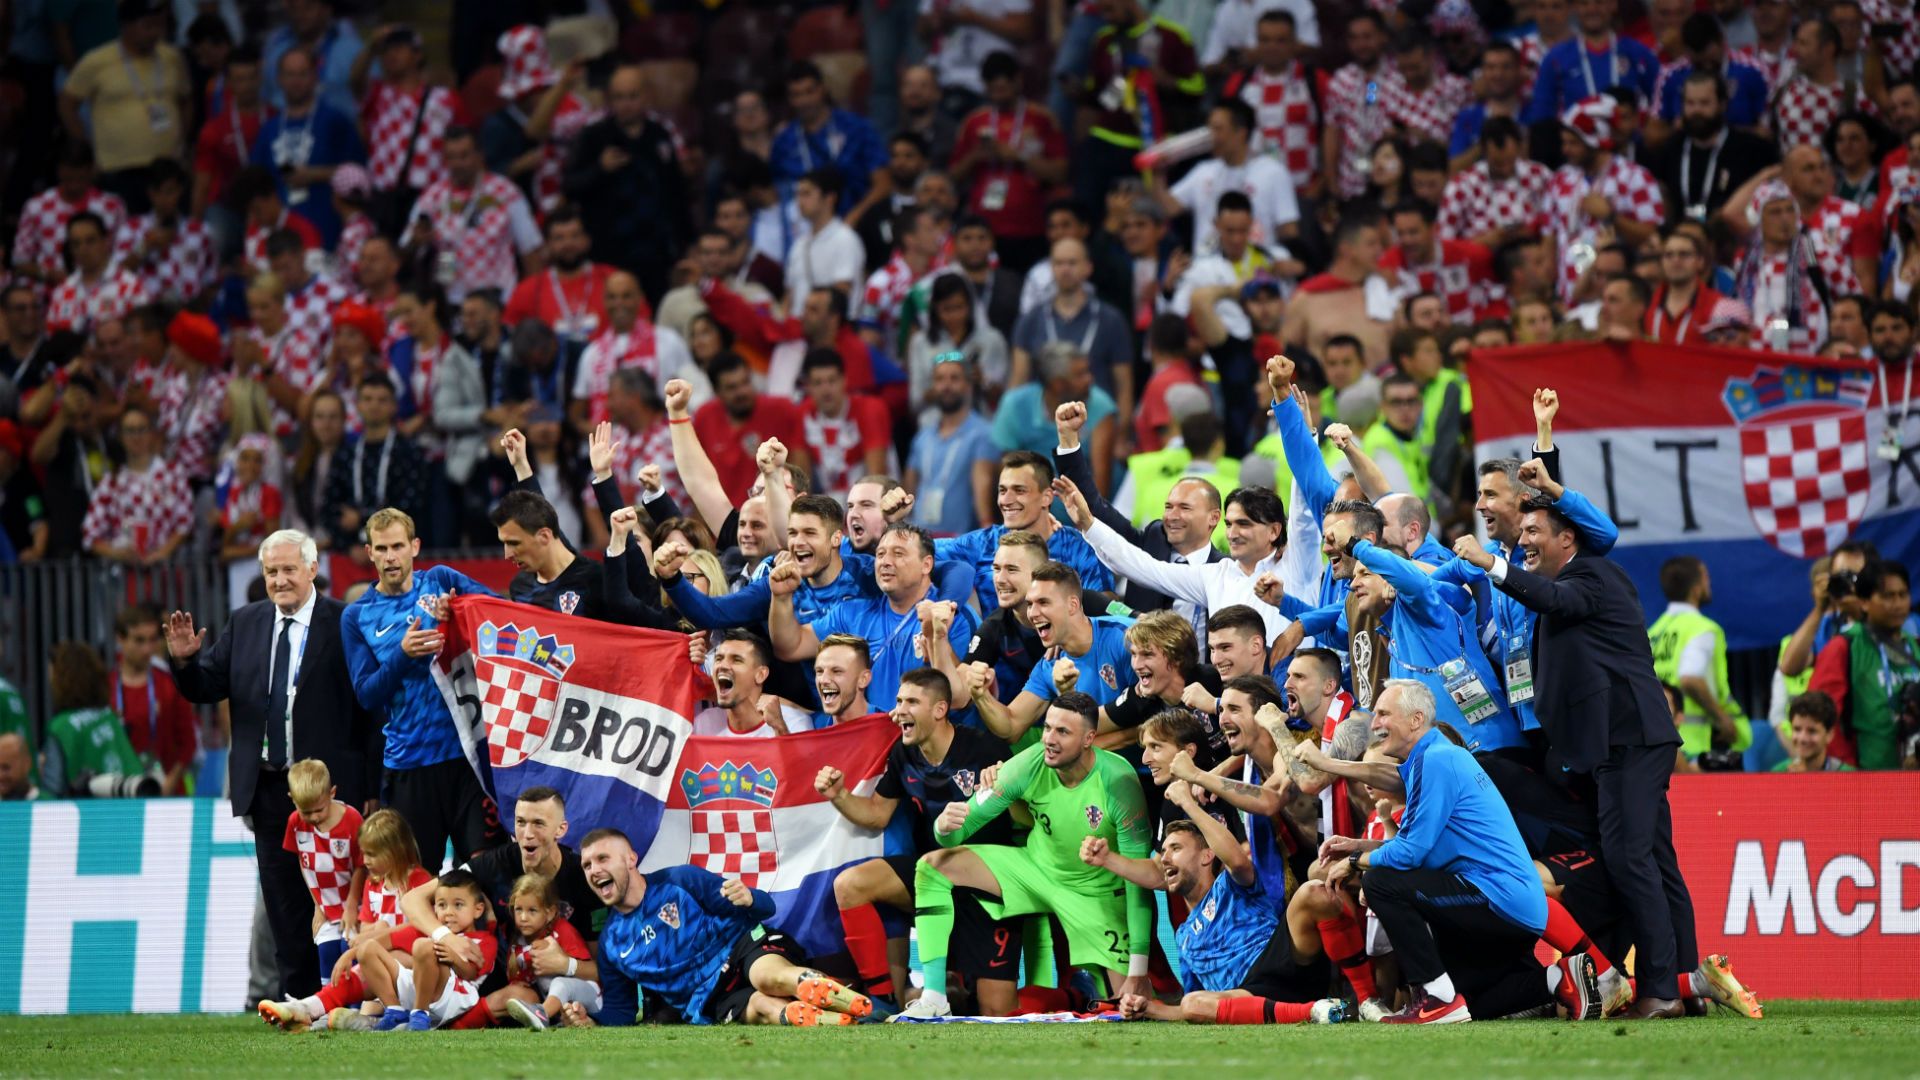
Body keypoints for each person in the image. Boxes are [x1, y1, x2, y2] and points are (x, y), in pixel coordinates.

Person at [1457, 497, 1697, 1017]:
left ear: (1568, 539)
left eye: (1534, 531)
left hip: (1628, 741)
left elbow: (1552, 599)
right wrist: (1544, 448)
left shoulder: (1593, 576)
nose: (1523, 540)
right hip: (1621, 744)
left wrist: (1489, 564)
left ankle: (1661, 991)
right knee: (1654, 861)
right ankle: (1682, 981)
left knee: (1631, 860)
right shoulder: (1576, 576)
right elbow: (1546, 532)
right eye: (1520, 533)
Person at [168, 529, 376, 1001]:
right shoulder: (245, 623)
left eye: (287, 570)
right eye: (271, 572)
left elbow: (368, 711)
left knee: (341, 898)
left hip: (332, 794)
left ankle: (351, 997)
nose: (279, 580)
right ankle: (297, 1002)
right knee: (283, 904)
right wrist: (184, 662)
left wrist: (369, 785)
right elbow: (207, 686)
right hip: (266, 789)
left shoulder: (344, 622)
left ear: (311, 569)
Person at [903, 691, 1153, 1018]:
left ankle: (1079, 995)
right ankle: (934, 996)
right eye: (1047, 728)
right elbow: (961, 829)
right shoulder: (1030, 762)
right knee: (933, 866)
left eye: (1063, 732)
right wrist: (943, 827)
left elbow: (1139, 877)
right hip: (1034, 871)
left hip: (1095, 893)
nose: (1049, 739)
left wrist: (1138, 969)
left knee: (1130, 1009)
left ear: (1089, 738)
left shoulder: (1118, 781)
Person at [1319, 681, 1550, 1023]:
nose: (1375, 723)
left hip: (1498, 901)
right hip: (1501, 904)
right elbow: (1416, 848)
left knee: (1380, 882)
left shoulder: (1436, 760)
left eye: (1383, 713)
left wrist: (1355, 863)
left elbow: (1409, 855)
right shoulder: (1430, 760)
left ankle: (1436, 996)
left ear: (1415, 720)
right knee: (1475, 1005)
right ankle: (1561, 977)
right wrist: (1358, 846)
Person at [817, 667, 1017, 1009]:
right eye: (898, 701)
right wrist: (840, 795)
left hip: (989, 887)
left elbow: (1025, 812)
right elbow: (878, 813)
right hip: (933, 876)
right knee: (850, 884)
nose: (900, 710)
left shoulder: (984, 749)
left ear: (940, 710)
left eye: (911, 701)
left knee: (995, 1010)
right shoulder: (903, 753)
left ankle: (1071, 997)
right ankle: (880, 1000)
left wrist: (1007, 786)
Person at [571, 828, 876, 1027]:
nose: (595, 870)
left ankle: (861, 1007)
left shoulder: (679, 881)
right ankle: (838, 1020)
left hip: (741, 947)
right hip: (708, 999)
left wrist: (747, 897)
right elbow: (620, 1009)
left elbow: (766, 907)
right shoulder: (612, 944)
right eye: (587, 865)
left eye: (602, 859)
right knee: (762, 1006)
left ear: (630, 860)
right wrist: (592, 1022)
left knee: (767, 977)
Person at [341, 507, 501, 867]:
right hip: (410, 764)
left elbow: (501, 615)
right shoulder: (357, 615)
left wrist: (461, 609)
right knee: (417, 881)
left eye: (397, 546)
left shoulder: (443, 581)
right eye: (381, 549)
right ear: (369, 553)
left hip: (468, 759)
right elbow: (367, 694)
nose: (390, 557)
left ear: (415, 546)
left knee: (485, 872)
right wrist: (402, 654)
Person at [1086, 801, 1343, 1025]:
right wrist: (1151, 1008)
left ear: (1207, 855)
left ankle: (1364, 996)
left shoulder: (1231, 882)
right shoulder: (1183, 937)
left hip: (1283, 956)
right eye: (1163, 852)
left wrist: (1188, 803)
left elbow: (1238, 860)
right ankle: (1313, 1012)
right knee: (1193, 1003)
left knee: (1314, 891)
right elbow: (1194, 1008)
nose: (1164, 858)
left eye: (1175, 848)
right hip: (1248, 996)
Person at [768, 522, 977, 711]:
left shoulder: (956, 618)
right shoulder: (852, 613)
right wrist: (781, 597)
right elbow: (790, 646)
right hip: (874, 743)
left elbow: (958, 700)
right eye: (880, 554)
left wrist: (936, 637)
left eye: (898, 554)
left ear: (927, 564)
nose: (885, 562)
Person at [1055, 400, 1226, 631]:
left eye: (1184, 508)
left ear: (1214, 518)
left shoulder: (1226, 571)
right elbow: (1092, 506)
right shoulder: (1149, 543)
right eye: (1168, 506)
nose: (1172, 516)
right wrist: (1068, 439)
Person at [1066, 476, 1297, 645]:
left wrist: (1303, 429)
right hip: (1230, 696)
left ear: (1274, 531)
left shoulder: (1295, 566)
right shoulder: (1215, 574)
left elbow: (1304, 512)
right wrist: (1088, 524)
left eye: (1244, 524)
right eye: (1229, 524)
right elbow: (1143, 567)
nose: (1232, 533)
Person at [955, 560, 1134, 741]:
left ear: (1072, 605)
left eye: (1043, 602)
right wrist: (981, 696)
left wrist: (1095, 745)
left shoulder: (1125, 637)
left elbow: (1153, 710)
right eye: (1030, 604)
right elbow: (1011, 726)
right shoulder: (1048, 665)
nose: (1032, 613)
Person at [562, 64, 691, 304]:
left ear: (646, 96)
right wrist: (599, 169)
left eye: (633, 96)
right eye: (619, 97)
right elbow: (570, 187)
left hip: (656, 253)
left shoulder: (659, 135)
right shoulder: (593, 137)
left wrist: (684, 244)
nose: (626, 104)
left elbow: (677, 194)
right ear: (609, 100)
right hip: (609, 253)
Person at [934, 449, 1113, 611]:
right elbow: (921, 552)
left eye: (1019, 491)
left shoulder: (1080, 548)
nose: (1007, 500)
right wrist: (904, 513)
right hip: (996, 645)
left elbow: (1106, 609)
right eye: (1002, 491)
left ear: (1046, 497)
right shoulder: (983, 543)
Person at [57, 0, 191, 208]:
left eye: (158, 25)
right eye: (147, 26)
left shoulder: (171, 57)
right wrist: (84, 144)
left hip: (167, 167)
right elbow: (67, 102)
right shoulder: (97, 60)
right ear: (126, 26)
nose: (154, 32)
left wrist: (182, 135)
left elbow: (186, 98)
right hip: (119, 169)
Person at [952, 51, 1068, 270]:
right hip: (984, 229)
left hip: (1030, 227)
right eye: (992, 89)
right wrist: (975, 156)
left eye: (1003, 88)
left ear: (1018, 82)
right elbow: (951, 178)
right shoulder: (974, 122)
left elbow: (1060, 173)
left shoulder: (1042, 119)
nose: (997, 94)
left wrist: (1018, 156)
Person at [1545, 99, 1666, 306]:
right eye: (1563, 142)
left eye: (1573, 143)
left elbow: (1651, 236)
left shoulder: (1634, 178)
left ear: (1595, 140)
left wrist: (1611, 217)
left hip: (1616, 298)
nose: (1565, 150)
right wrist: (1551, 290)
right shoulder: (1560, 180)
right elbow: (1549, 238)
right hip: (1569, 296)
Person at [405, 127, 542, 304]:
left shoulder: (505, 192)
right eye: (451, 157)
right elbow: (403, 251)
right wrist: (415, 242)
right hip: (452, 300)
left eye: (464, 156)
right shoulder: (432, 198)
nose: (457, 164)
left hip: (498, 300)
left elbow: (531, 250)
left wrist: (531, 302)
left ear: (480, 155)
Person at [249, 47, 366, 246]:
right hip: (281, 239)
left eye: (303, 74)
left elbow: (358, 173)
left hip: (327, 230)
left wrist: (314, 174)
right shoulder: (269, 128)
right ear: (279, 79)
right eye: (290, 74)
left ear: (315, 76)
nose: (296, 81)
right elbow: (255, 183)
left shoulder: (335, 121)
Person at [1809, 560, 1918, 769]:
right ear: (1864, 602)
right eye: (1887, 596)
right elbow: (1820, 720)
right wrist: (1849, 773)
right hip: (1866, 783)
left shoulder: (1914, 646)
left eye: (1902, 595)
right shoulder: (1843, 647)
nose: (1897, 604)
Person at [1649, 556, 1750, 765]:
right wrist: (1722, 719)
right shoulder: (1702, 629)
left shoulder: (1654, 632)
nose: (1709, 583)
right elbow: (1690, 679)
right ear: (1695, 588)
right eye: (1706, 577)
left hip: (1658, 743)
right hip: (1694, 746)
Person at [283, 758, 367, 983]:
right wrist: (318, 905)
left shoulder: (351, 819)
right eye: (306, 812)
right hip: (327, 907)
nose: (314, 818)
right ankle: (328, 1009)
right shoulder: (294, 823)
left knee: (351, 949)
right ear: (293, 800)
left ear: (332, 793)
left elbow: (362, 865)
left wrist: (352, 905)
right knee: (327, 952)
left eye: (319, 810)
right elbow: (305, 862)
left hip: (356, 905)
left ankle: (357, 1011)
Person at [80, 404, 191, 565]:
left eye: (141, 429)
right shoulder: (111, 483)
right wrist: (116, 553)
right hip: (125, 577)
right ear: (121, 437)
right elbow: (90, 535)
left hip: (166, 574)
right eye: (130, 431)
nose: (136, 437)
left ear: (151, 433)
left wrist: (162, 553)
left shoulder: (173, 475)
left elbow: (185, 524)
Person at [770, 61, 887, 214]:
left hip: (859, 223)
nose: (804, 101)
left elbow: (883, 183)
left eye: (809, 91)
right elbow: (778, 196)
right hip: (806, 229)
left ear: (823, 89)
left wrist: (851, 222)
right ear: (789, 99)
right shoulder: (783, 142)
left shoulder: (857, 128)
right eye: (796, 95)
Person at [491, 872, 602, 1030]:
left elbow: (591, 972)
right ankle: (552, 1016)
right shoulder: (518, 942)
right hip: (564, 1007)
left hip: (591, 997)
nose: (523, 917)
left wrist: (562, 963)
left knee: (560, 982)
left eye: (532, 910)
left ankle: (542, 1014)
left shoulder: (563, 931)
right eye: (518, 909)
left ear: (550, 913)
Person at [40, 640, 151, 798]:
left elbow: (52, 790)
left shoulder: (61, 727)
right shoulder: (107, 715)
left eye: (52, 673)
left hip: (88, 816)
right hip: (127, 809)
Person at [903, 352, 999, 535]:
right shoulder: (923, 436)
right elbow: (909, 488)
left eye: (954, 378)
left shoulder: (982, 433)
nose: (946, 385)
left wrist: (987, 531)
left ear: (968, 385)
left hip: (960, 542)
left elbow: (983, 484)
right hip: (920, 539)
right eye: (940, 379)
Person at [322, 377, 427, 540]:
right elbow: (330, 506)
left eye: (382, 400)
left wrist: (362, 518)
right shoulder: (345, 454)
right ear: (357, 405)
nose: (374, 405)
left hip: (397, 547)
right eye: (368, 399)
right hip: (349, 553)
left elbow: (411, 506)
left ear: (394, 406)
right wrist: (350, 545)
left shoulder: (409, 452)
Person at [1523, 0, 1659, 126]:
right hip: (1574, 148)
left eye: (1599, 2)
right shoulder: (1555, 58)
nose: (1592, 9)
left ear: (1613, 4)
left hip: (1628, 147)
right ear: (1575, 7)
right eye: (1584, 3)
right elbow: (1541, 114)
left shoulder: (1637, 52)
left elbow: (1659, 102)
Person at [108, 604, 196, 795]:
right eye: (139, 640)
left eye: (152, 640)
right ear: (120, 639)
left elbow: (188, 743)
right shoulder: (106, 689)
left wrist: (171, 780)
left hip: (168, 794)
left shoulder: (171, 684)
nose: (147, 649)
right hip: (122, 795)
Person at [1439, 118, 1555, 251]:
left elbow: (1557, 225)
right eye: (1498, 163)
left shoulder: (1540, 175)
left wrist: (1532, 230)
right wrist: (1484, 241)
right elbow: (1444, 245)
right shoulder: (1461, 187)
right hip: (1483, 263)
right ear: (1483, 152)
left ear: (1519, 147)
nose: (1505, 169)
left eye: (1510, 160)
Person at [799, 349, 890, 500]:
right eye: (818, 383)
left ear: (844, 380)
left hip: (875, 504)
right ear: (807, 387)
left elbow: (877, 480)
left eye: (832, 380)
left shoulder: (870, 410)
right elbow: (800, 484)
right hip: (829, 511)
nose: (826, 390)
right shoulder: (803, 414)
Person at [46, 212, 150, 335]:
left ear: (105, 241)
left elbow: (141, 337)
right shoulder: (61, 292)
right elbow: (51, 339)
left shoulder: (131, 287)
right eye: (76, 244)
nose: (83, 249)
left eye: (90, 241)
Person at [693, 630, 813, 737]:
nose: (722, 666)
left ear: (761, 675)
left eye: (736, 660)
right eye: (719, 659)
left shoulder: (794, 723)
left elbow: (798, 763)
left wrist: (779, 729)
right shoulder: (703, 723)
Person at [1773, 691, 1856, 773]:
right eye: (1797, 729)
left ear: (1829, 735)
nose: (1802, 738)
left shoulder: (1848, 777)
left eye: (1812, 731)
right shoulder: (1778, 773)